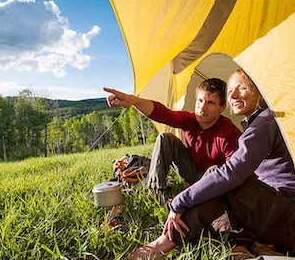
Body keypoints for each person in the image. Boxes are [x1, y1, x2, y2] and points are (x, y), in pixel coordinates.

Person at [129, 69, 295, 260]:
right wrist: (134, 100)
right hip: (286, 218)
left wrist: (180, 201)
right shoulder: (261, 121)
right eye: (231, 90)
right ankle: (223, 240)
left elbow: (232, 175)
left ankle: (166, 242)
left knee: (223, 180)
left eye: (242, 88)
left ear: (259, 91)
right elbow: (165, 114)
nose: (233, 95)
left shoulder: (264, 124)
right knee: (216, 179)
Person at [104, 78, 242, 195]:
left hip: (213, 183)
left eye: (210, 102)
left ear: (223, 106)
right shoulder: (191, 120)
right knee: (165, 138)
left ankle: (192, 194)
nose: (202, 107)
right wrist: (133, 100)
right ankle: (155, 191)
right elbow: (163, 114)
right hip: (192, 171)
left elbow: (235, 174)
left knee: (215, 170)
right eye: (200, 101)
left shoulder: (229, 133)